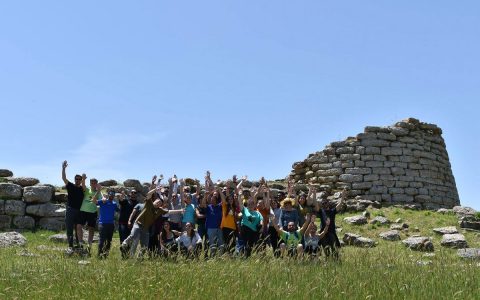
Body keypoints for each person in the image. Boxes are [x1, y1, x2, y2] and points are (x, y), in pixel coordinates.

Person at [120, 175, 183, 258]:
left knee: (145, 246)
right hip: (138, 223)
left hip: (146, 228)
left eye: (159, 203)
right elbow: (149, 194)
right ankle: (125, 243)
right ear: (154, 201)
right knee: (133, 235)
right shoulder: (148, 203)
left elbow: (170, 211)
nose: (158, 203)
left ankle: (140, 258)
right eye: (157, 202)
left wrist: (180, 210)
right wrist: (155, 188)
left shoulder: (159, 210)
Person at [61, 160, 85, 254]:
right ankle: (70, 245)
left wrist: (84, 179)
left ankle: (79, 245)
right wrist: (63, 168)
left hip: (79, 211)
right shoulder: (70, 186)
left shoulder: (83, 189)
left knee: (78, 228)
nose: (78, 180)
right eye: (77, 179)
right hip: (70, 209)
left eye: (80, 179)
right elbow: (64, 178)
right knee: (69, 228)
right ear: (74, 179)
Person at [318, 188, 346, 259]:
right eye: (323, 203)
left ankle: (336, 260)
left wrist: (342, 197)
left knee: (334, 247)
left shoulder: (332, 211)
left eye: (326, 203)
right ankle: (328, 259)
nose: (325, 204)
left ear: (329, 203)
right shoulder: (321, 211)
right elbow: (315, 204)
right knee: (325, 247)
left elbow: (339, 205)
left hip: (331, 231)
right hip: (323, 232)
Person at [77, 177, 102, 252]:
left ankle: (89, 245)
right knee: (78, 226)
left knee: (91, 228)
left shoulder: (99, 192)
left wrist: (99, 190)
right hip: (83, 210)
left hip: (92, 212)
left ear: (97, 184)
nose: (93, 184)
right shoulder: (87, 190)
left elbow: (100, 201)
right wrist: (83, 179)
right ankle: (80, 243)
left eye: (94, 183)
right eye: (92, 182)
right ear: (90, 183)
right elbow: (83, 185)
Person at [237, 190, 263, 257]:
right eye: (249, 204)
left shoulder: (257, 212)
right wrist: (239, 196)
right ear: (247, 205)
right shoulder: (244, 210)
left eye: (252, 204)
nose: (251, 205)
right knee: (244, 245)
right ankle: (242, 257)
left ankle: (247, 257)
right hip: (245, 229)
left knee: (250, 246)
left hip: (254, 231)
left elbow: (261, 220)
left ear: (254, 205)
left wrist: (261, 226)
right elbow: (240, 203)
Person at [95, 190, 118, 258]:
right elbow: (94, 201)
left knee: (109, 241)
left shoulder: (114, 204)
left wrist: (122, 199)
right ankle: (99, 255)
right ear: (108, 195)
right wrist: (98, 193)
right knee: (102, 240)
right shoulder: (103, 201)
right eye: (110, 194)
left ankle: (106, 255)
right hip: (102, 224)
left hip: (111, 225)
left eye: (113, 194)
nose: (112, 195)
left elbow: (119, 210)